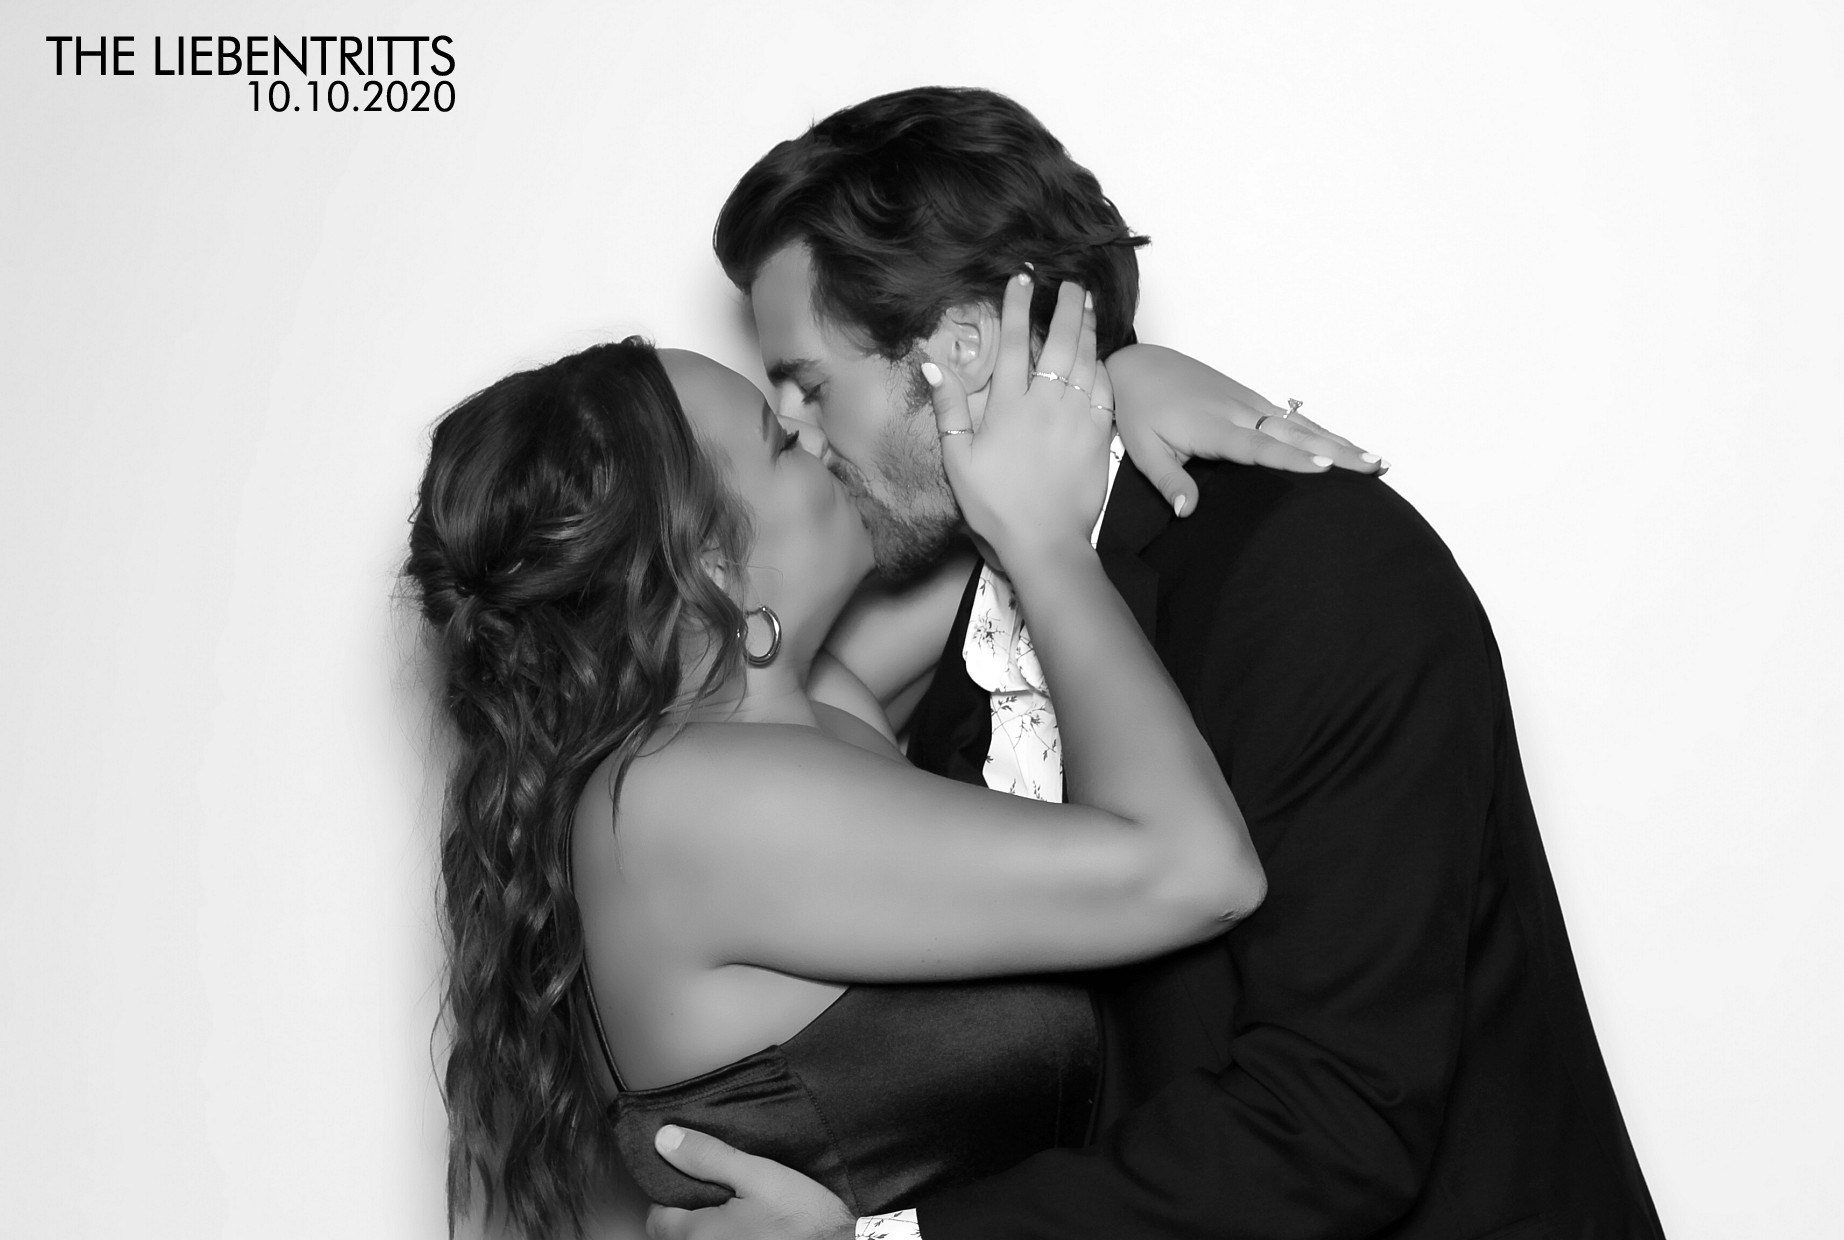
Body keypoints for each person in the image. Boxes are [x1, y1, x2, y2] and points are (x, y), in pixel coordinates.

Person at [645, 86, 1667, 1240]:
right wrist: (1121, 374)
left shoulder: (1317, 574)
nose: (797, 429)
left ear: (959, 352)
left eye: (808, 385)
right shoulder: (968, 615)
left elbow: (1338, 1121)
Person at [405, 274, 1391, 1238]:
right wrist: (1046, 538)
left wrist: (1117, 386)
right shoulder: (686, 804)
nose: (811, 434)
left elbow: (1002, 525)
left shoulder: (802, 707)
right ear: (713, 566)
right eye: (776, 440)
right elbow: (1197, 872)